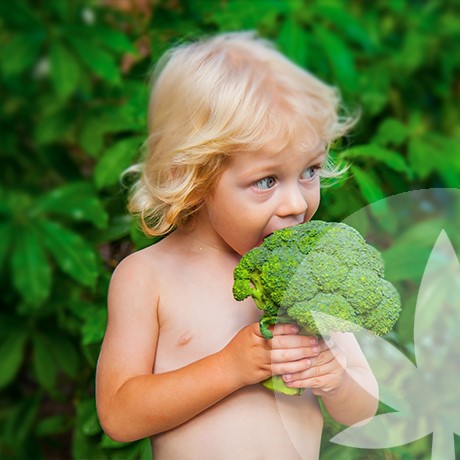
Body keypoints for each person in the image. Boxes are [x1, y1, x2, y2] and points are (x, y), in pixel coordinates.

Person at [96, 31, 378, 459]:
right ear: (194, 176)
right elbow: (119, 415)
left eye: (309, 171)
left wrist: (336, 378)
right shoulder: (148, 277)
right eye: (267, 181)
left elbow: (364, 409)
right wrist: (229, 368)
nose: (297, 202)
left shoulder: (313, 273)